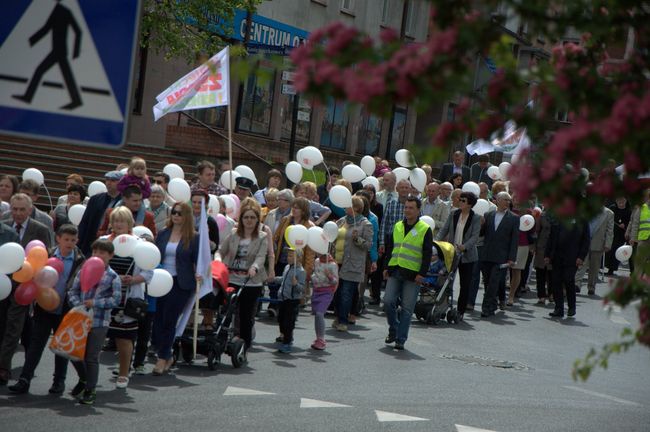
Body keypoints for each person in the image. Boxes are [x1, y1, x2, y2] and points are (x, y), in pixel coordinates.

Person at [8, 224, 85, 395]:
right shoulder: (47, 255)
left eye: (73, 240)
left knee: (62, 349)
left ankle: (59, 381)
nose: (70, 243)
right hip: (44, 307)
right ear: (58, 238)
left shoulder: (80, 259)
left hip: (65, 309)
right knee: (36, 344)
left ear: (77, 241)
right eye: (66, 239)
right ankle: (24, 379)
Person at [0, 193, 52, 385]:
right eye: (15, 209)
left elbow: (46, 255)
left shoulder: (40, 229)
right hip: (3, 282)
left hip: (24, 286)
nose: (18, 213)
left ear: (30, 210)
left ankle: (3, 367)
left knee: (14, 325)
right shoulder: (4, 225)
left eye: (22, 209)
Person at [100, 208, 152, 388]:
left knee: (124, 338)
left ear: (130, 223)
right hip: (104, 297)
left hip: (127, 300)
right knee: (97, 337)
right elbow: (94, 266)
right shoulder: (103, 243)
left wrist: (134, 279)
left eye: (122, 221)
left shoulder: (140, 245)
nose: (118, 224)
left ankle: (123, 372)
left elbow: (149, 272)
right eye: (115, 221)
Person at [68, 239, 121, 405]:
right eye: (95, 252)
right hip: (80, 319)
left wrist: (96, 303)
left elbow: (116, 300)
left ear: (110, 256)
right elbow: (73, 291)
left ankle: (90, 389)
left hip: (99, 322)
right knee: (73, 353)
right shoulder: (84, 269)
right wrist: (79, 304)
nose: (98, 255)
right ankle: (84, 380)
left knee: (91, 357)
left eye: (102, 253)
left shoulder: (113, 276)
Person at [152, 202, 199, 375]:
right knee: (157, 320)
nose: (176, 216)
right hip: (160, 281)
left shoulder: (194, 237)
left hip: (181, 283)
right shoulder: (163, 233)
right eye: (174, 212)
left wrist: (200, 275)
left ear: (186, 216)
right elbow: (155, 255)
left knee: (169, 320)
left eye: (180, 213)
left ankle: (163, 357)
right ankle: (166, 353)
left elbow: (199, 261)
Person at [383, 196, 432, 350]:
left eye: (411, 208)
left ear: (418, 211)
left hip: (413, 273)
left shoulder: (425, 229)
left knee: (406, 308)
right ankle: (394, 328)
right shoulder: (398, 225)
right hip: (395, 269)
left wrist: (422, 273)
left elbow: (427, 254)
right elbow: (390, 248)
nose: (407, 210)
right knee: (388, 301)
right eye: (406, 207)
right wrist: (385, 267)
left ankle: (400, 339)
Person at [218, 199, 269, 349]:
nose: (249, 220)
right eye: (246, 217)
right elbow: (221, 251)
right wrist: (218, 261)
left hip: (251, 281)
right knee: (227, 312)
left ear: (257, 219)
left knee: (246, 316)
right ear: (241, 219)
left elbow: (261, 256)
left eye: (252, 217)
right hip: (232, 279)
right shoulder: (234, 234)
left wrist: (254, 267)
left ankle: (244, 346)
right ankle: (220, 339)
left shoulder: (262, 236)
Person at [436, 192, 481, 320]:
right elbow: (444, 229)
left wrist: (465, 246)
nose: (459, 201)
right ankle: (442, 307)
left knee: (465, 284)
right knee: (446, 281)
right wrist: (436, 242)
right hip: (451, 253)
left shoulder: (476, 217)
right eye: (459, 199)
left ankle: (460, 311)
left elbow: (475, 236)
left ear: (469, 204)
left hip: (467, 256)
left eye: (463, 200)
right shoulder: (454, 213)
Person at [333, 196, 373, 332]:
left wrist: (358, 239)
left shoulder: (365, 224)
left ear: (356, 207)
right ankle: (338, 317)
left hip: (353, 264)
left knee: (346, 293)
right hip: (337, 261)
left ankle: (343, 321)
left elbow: (368, 245)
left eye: (347, 206)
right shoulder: (342, 221)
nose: (344, 208)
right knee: (337, 292)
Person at [479, 192, 519, 318]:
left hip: (501, 257)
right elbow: (482, 234)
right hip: (487, 254)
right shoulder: (488, 215)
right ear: (498, 200)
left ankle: (486, 308)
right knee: (487, 281)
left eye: (509, 200)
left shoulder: (514, 218)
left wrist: (512, 258)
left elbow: (514, 240)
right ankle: (493, 303)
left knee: (494, 282)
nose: (508, 202)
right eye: (505, 200)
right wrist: (481, 224)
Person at [545, 219, 590, 318]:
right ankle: (558, 308)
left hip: (572, 257)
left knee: (568, 280)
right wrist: (547, 255)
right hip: (557, 255)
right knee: (556, 281)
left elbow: (586, 240)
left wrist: (581, 257)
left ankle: (571, 307)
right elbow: (551, 237)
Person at [77, 170, 123, 255]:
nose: (109, 183)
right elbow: (85, 222)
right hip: (92, 242)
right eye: (107, 180)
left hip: (112, 244)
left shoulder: (124, 201)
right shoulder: (95, 199)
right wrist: (79, 244)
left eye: (113, 180)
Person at [574, 204, 614, 295]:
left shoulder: (609, 213)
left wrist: (608, 244)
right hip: (585, 241)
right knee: (581, 263)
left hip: (598, 243)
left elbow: (610, 230)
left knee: (594, 267)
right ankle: (577, 284)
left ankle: (591, 286)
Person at [276, 248, 306, 353]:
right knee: (280, 319)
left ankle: (287, 343)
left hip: (292, 300)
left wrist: (296, 284)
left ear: (298, 258)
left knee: (288, 322)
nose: (288, 258)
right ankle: (285, 335)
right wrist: (274, 279)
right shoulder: (287, 267)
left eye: (291, 256)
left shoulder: (301, 271)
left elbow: (302, 288)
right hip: (283, 298)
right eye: (288, 255)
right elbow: (283, 279)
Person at [310, 253, 339, 350]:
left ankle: (321, 340)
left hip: (327, 292)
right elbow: (315, 274)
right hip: (316, 291)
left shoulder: (332, 264)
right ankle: (318, 338)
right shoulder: (317, 261)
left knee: (319, 314)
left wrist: (329, 276)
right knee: (317, 316)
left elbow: (335, 281)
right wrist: (312, 277)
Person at [533, 211, 554, 305]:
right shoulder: (542, 216)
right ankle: (541, 295)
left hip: (554, 249)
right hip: (541, 247)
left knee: (552, 273)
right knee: (540, 272)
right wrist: (534, 246)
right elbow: (536, 231)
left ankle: (551, 294)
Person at [606, 197, 631, 275]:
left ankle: (611, 269)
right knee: (608, 250)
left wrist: (625, 225)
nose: (621, 202)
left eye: (623, 200)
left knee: (616, 251)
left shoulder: (629, 210)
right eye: (619, 200)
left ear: (626, 201)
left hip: (621, 235)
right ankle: (604, 266)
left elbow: (631, 222)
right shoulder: (612, 208)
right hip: (611, 232)